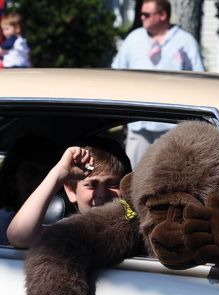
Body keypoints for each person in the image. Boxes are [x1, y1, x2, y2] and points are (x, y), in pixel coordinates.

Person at [112, 0, 205, 168]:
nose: (141, 18)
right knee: (132, 173)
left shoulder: (185, 41)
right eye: (141, 14)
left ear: (162, 15)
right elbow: (116, 72)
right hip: (139, 122)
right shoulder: (134, 38)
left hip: (172, 124)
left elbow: (200, 80)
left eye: (146, 14)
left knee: (169, 174)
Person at [7, 135, 132, 248]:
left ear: (126, 187)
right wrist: (60, 172)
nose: (102, 194)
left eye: (113, 185)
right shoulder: (69, 230)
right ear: (71, 191)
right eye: (91, 185)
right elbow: (19, 236)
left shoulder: (137, 228)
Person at [0, 135, 61, 245]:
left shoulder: (66, 220)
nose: (38, 182)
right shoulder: (3, 219)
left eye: (47, 174)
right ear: (12, 178)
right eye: (29, 172)